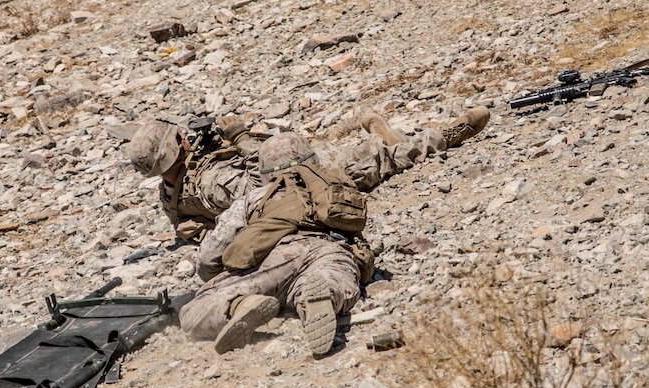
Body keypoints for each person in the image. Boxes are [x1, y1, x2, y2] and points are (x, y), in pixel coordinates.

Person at [127, 107, 489, 244]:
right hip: (293, 191)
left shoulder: (171, 189)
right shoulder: (210, 183)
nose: (185, 137)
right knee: (365, 163)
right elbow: (260, 186)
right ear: (175, 149)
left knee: (344, 152)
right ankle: (440, 137)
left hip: (278, 185)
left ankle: (383, 140)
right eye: (179, 138)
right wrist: (240, 138)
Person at [179, 132, 382, 357]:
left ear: (265, 172)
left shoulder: (255, 197)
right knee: (333, 277)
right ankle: (318, 295)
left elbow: (208, 258)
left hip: (277, 256)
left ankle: (240, 304)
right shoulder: (333, 186)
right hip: (331, 249)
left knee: (191, 313)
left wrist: (225, 279)